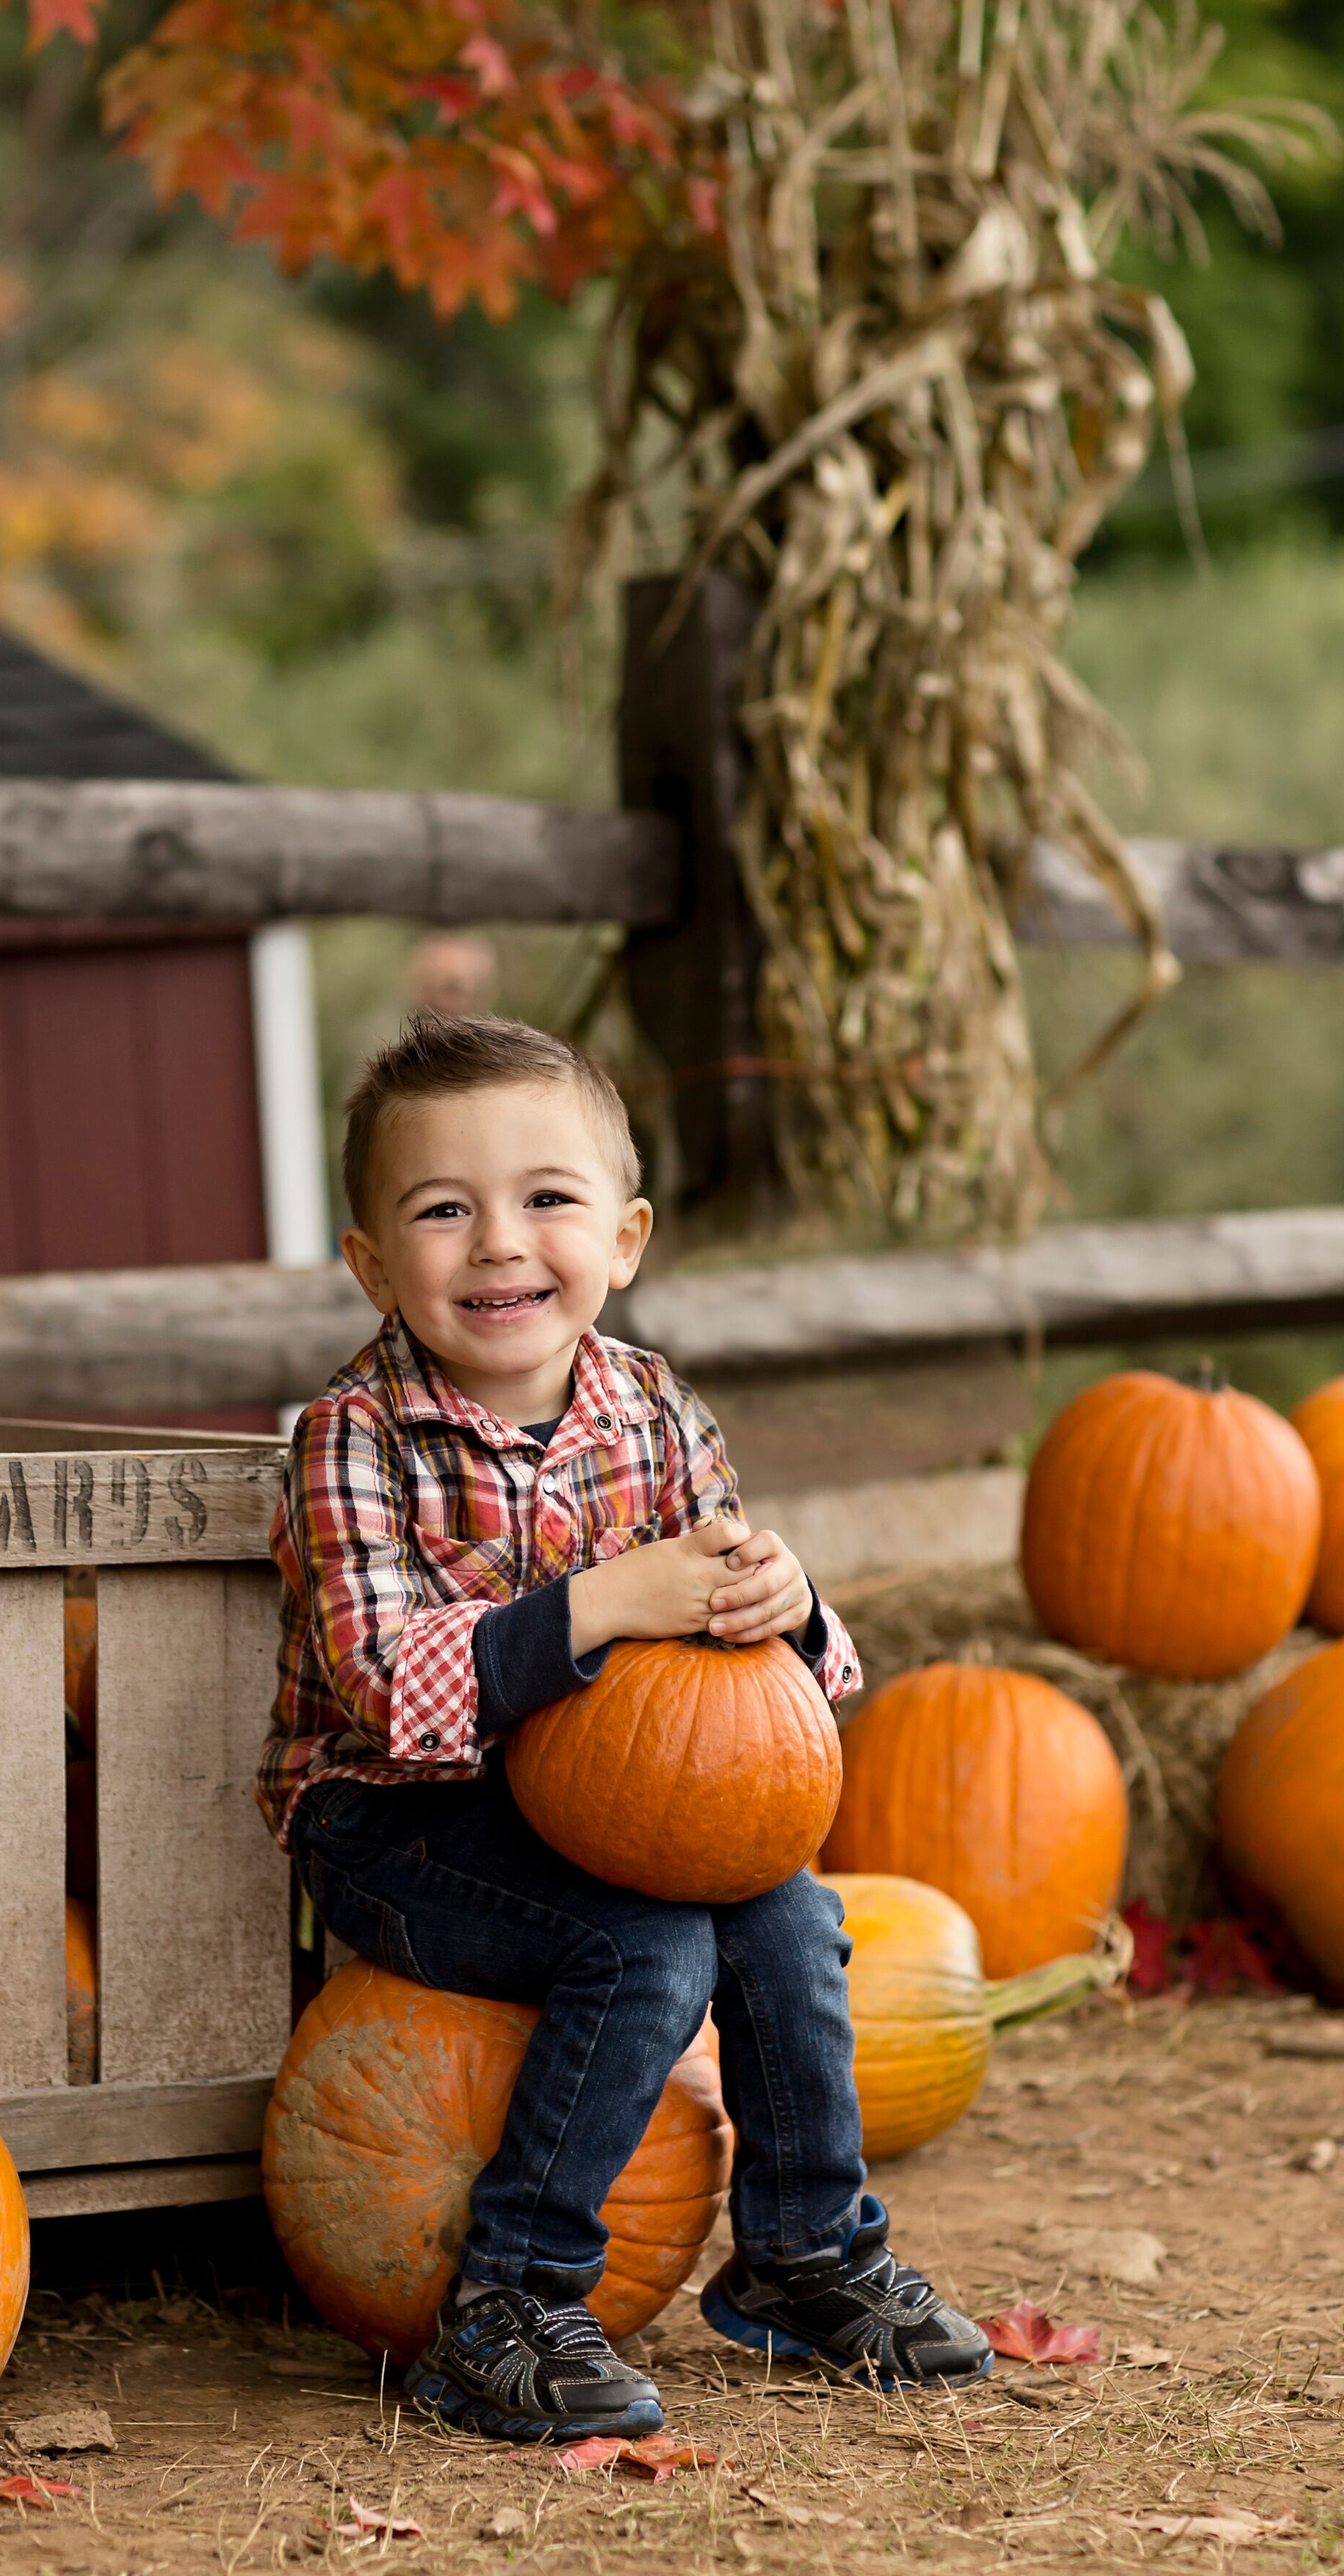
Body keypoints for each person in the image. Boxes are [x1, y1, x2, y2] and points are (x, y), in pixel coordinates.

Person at [260, 1011, 992, 2443]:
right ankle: (505, 2307)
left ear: (625, 1235)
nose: (497, 1243)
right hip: (396, 1818)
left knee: (778, 1913)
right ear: (367, 1261)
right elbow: (389, 1694)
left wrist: (778, 1604)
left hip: (602, 1809)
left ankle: (801, 2256)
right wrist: (602, 1602)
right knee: (643, 1946)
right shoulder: (351, 1435)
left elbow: (793, 1693)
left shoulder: (652, 1409)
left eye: (545, 1199)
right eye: (440, 1209)